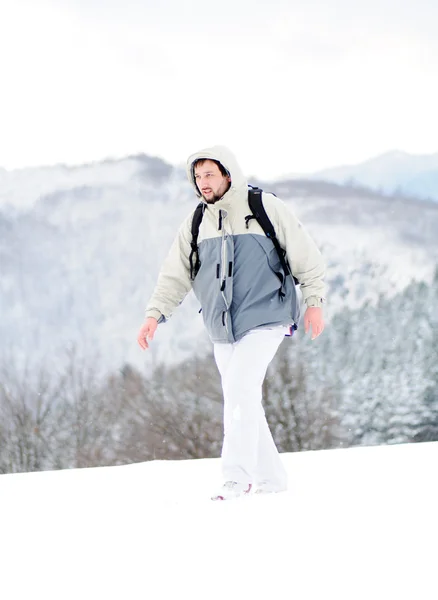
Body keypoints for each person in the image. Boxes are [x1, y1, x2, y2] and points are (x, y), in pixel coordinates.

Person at [137, 145, 326, 500]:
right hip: (222, 328)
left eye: (209, 174)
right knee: (244, 397)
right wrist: (154, 315)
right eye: (197, 176)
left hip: (267, 316)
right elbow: (174, 274)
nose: (202, 182)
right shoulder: (196, 222)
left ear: (228, 174)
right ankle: (272, 477)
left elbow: (306, 256)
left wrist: (314, 301)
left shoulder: (264, 207)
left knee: (238, 390)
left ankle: (237, 478)